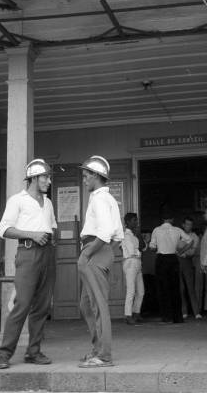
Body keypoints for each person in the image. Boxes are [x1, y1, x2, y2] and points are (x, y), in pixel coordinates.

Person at [0, 159, 57, 370]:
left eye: (48, 177)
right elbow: (3, 229)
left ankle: (34, 352)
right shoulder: (17, 200)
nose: (48, 181)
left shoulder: (48, 202)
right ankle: (4, 353)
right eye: (45, 177)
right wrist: (31, 234)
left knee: (42, 306)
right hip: (28, 252)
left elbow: (51, 227)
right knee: (22, 304)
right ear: (33, 178)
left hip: (47, 252)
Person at [78, 155, 124, 368]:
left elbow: (106, 232)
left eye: (87, 176)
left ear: (96, 176)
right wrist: (105, 252)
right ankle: (98, 349)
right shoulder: (109, 199)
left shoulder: (99, 199)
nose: (85, 180)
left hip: (94, 250)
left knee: (97, 305)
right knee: (87, 305)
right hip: (101, 251)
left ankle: (104, 355)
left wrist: (89, 253)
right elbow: (118, 236)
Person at [149, 211, 193, 324]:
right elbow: (190, 241)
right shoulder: (177, 230)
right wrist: (181, 251)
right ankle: (177, 317)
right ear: (172, 219)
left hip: (161, 259)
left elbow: (152, 247)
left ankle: (166, 316)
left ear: (162, 219)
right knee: (175, 288)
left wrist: (156, 247)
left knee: (163, 288)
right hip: (173, 259)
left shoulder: (156, 230)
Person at [121, 212, 145, 326]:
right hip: (130, 261)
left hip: (137, 262)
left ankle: (136, 312)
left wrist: (139, 237)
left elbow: (143, 247)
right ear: (128, 222)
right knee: (131, 290)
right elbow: (132, 251)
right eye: (134, 220)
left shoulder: (134, 235)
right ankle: (128, 315)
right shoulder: (125, 235)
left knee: (141, 291)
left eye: (136, 220)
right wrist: (139, 249)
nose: (136, 222)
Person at [178, 217, 201, 319]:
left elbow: (192, 252)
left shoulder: (195, 236)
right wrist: (186, 249)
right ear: (183, 225)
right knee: (180, 288)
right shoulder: (177, 234)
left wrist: (180, 251)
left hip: (187, 261)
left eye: (191, 224)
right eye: (187, 224)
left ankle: (196, 312)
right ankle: (184, 311)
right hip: (177, 262)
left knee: (190, 287)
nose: (189, 226)